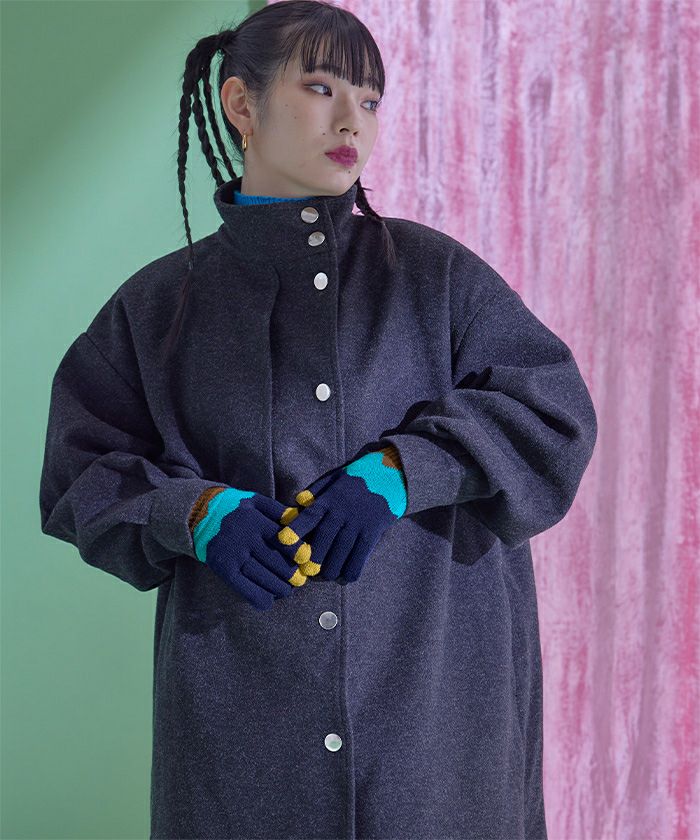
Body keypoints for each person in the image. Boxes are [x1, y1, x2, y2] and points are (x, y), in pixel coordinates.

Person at [38, 1, 598, 838]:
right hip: (239, 736)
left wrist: (401, 472)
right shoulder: (157, 309)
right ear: (242, 104)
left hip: (433, 732)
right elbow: (79, 472)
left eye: (369, 99)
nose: (351, 121)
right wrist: (196, 513)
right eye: (321, 87)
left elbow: (552, 410)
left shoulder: (436, 278)